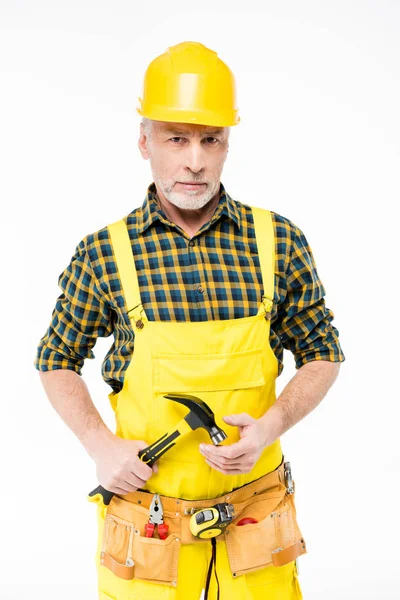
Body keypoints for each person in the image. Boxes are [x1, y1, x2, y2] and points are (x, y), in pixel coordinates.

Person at [34, 41, 345, 600]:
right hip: (149, 535)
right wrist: (100, 446)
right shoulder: (105, 253)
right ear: (144, 141)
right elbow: (56, 360)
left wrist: (271, 425)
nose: (195, 161)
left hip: (254, 524)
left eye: (211, 139)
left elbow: (322, 351)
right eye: (176, 138)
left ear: (228, 143)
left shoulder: (278, 242)